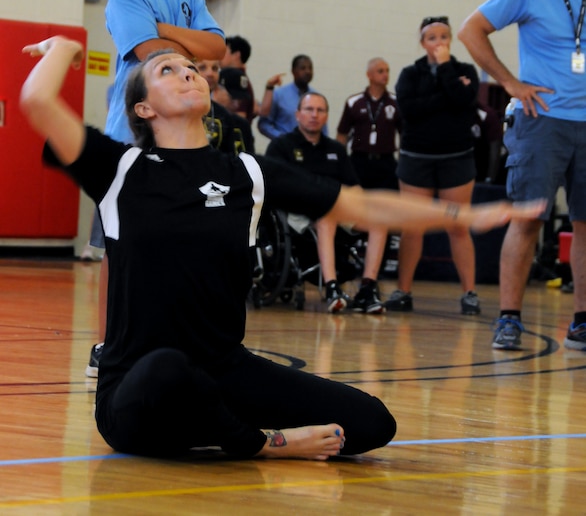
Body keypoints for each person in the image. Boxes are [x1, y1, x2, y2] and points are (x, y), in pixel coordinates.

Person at [20, 36, 543, 460]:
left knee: (370, 422)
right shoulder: (120, 169)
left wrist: (467, 214)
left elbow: (363, 207)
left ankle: (217, 429)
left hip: (226, 372)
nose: (186, 73)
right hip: (138, 392)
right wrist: (65, 47)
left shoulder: (246, 172)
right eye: (166, 71)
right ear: (143, 108)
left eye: (191, 68)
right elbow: (38, 101)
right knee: (167, 368)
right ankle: (261, 443)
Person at [86, 0, 226, 377]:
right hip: (131, 136)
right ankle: (106, 345)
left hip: (179, 139)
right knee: (119, 249)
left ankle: (163, 338)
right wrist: (180, 42)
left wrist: (169, 30)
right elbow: (151, 52)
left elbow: (217, 48)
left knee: (170, 243)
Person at [458, 0, 586, 351]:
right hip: (541, 122)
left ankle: (581, 322)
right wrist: (510, 83)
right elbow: (471, 30)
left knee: (584, 224)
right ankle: (509, 318)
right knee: (530, 217)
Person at [390, 17, 481, 316]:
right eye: (432, 37)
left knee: (458, 226)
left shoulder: (465, 71)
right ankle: (404, 291)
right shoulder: (409, 74)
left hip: (456, 157)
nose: (438, 42)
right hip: (417, 157)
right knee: (413, 227)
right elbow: (410, 111)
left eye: (444, 36)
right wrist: (447, 94)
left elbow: (463, 103)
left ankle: (469, 293)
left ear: (451, 40)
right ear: (422, 42)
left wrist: (445, 71)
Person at [266, 92, 359, 313]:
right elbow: (274, 188)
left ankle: (368, 288)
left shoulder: (336, 149)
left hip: (337, 209)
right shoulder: (281, 146)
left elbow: (355, 188)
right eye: (309, 110)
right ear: (298, 115)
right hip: (297, 213)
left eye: (320, 110)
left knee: (377, 221)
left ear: (327, 116)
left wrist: (362, 206)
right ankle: (332, 287)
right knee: (326, 216)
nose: (314, 115)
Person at [336, 57, 402, 313]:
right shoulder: (355, 102)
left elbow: (404, 134)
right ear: (369, 75)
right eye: (380, 71)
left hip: (386, 164)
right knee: (358, 216)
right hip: (359, 163)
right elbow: (342, 135)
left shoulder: (395, 103)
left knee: (383, 218)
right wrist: (340, 165)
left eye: (387, 70)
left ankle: (373, 279)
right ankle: (353, 270)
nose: (385, 75)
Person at [196, 59, 255, 154]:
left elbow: (229, 157)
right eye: (202, 68)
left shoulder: (224, 115)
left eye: (215, 68)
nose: (210, 73)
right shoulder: (179, 109)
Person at [258, 55, 324, 140]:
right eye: (303, 68)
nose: (307, 71)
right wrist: (282, 139)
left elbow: (323, 128)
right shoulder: (279, 94)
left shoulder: (317, 98)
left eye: (310, 68)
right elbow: (264, 124)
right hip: (283, 149)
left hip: (310, 149)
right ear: (293, 71)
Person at [219, 36, 257, 123]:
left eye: (224, 51)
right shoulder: (243, 77)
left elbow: (240, 114)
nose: (219, 55)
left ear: (236, 55)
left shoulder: (232, 76)